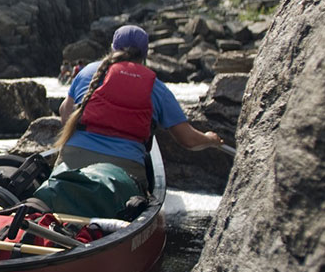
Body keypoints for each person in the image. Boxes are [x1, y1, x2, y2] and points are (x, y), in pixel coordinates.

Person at [55, 24, 224, 187]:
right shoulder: (157, 88)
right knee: (157, 214)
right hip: (125, 170)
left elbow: (65, 112)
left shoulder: (87, 72)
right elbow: (188, 140)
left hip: (72, 158)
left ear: (113, 48)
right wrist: (210, 139)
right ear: (144, 56)